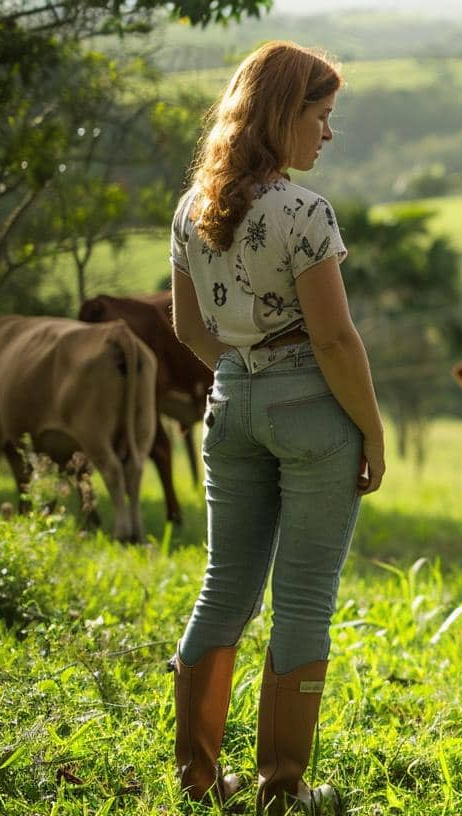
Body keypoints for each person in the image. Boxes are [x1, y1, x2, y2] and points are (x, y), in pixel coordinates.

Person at [167, 40, 385, 815]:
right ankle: (281, 791)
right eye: (321, 117)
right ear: (282, 114)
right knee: (302, 601)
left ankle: (197, 778)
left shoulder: (194, 206)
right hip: (311, 410)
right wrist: (373, 431)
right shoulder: (303, 212)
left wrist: (246, 370)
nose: (328, 134)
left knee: (222, 590)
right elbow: (333, 340)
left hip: (229, 403)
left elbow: (192, 332)